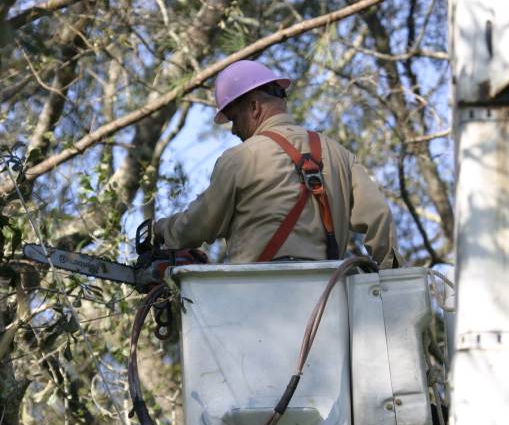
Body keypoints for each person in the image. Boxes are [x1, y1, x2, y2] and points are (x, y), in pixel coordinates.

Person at [154, 59, 401, 268]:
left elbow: (197, 226)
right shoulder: (340, 155)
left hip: (259, 301)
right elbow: (378, 215)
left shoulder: (239, 159)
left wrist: (162, 229)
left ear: (253, 107)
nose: (233, 130)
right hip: (329, 298)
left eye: (234, 119)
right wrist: (391, 280)